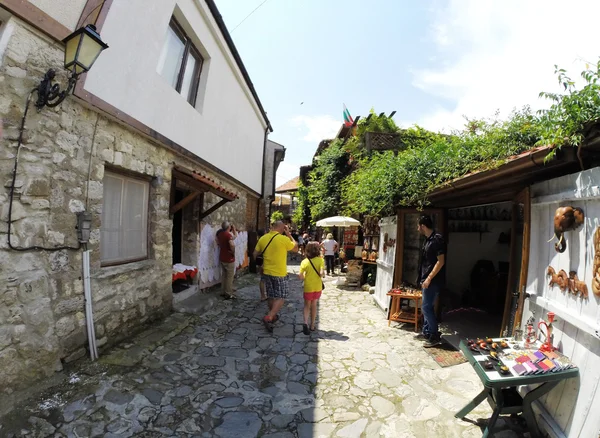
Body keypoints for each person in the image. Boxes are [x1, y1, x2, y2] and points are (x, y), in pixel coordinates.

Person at [253, 220, 298, 332]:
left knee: (271, 295)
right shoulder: (283, 239)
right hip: (279, 273)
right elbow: (296, 248)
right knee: (282, 296)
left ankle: (272, 316)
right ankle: (269, 317)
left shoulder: (263, 238)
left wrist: (260, 266)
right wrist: (288, 234)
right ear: (282, 228)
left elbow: (254, 254)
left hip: (267, 271)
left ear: (272, 227)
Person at [416, 214, 446, 347]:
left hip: (433, 280)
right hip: (426, 279)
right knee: (427, 307)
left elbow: (441, 261)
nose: (417, 229)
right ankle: (427, 332)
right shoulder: (428, 240)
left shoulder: (437, 240)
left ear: (423, 226)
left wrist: (428, 278)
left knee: (426, 307)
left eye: (418, 226)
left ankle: (434, 336)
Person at [298, 241, 324, 334]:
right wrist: (322, 273)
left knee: (306, 306)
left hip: (308, 287)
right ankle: (312, 325)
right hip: (317, 287)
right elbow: (321, 273)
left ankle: (305, 322)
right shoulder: (320, 260)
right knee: (314, 305)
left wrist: (305, 276)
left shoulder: (304, 262)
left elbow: (300, 276)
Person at [216, 221, 238, 300]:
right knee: (229, 276)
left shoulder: (219, 234)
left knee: (224, 275)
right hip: (229, 258)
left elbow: (234, 237)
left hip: (222, 257)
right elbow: (232, 244)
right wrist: (233, 251)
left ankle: (223, 291)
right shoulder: (228, 235)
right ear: (229, 227)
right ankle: (228, 293)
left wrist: (234, 230)